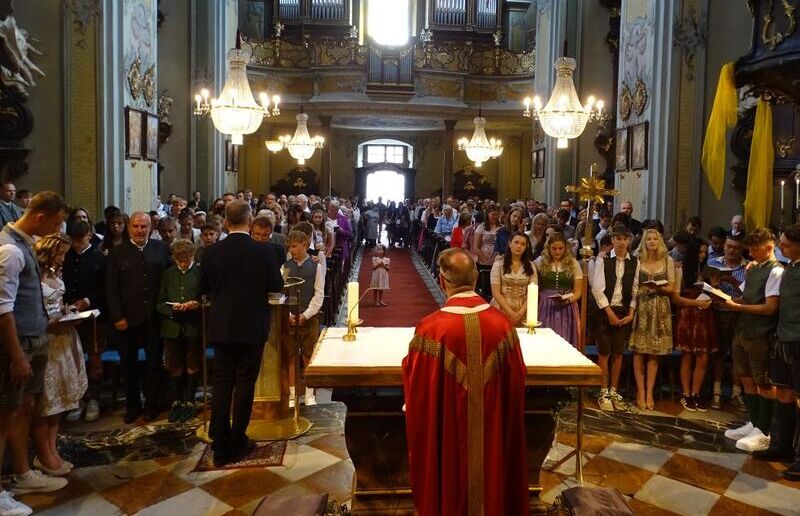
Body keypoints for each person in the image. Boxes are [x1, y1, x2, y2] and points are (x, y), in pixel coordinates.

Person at [402, 247, 528, 515]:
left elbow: (418, 388)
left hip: (448, 440)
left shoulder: (431, 329)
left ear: (442, 280)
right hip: (493, 439)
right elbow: (517, 381)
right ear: (476, 278)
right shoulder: (503, 326)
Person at [199, 200, 283, 466]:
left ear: (225, 221)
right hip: (251, 327)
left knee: (222, 384)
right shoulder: (264, 251)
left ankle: (220, 443)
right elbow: (276, 285)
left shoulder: (211, 252)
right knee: (245, 383)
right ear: (250, 221)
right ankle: (238, 439)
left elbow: (202, 288)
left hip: (222, 327)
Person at [0, 192, 69, 511]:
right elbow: (3, 309)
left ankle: (22, 471)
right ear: (41, 217)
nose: (56, 230)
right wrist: (16, 356)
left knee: (24, 408)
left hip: (35, 338)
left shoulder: (26, 242)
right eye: (56, 223)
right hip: (19, 346)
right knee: (4, 416)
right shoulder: (10, 250)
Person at [722, 228, 783, 453]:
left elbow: (770, 307)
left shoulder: (776, 271)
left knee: (763, 381)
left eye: (754, 250)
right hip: (743, 330)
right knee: (746, 377)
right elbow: (745, 297)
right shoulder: (754, 268)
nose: (750, 253)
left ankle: (764, 431)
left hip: (761, 333)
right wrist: (725, 298)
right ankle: (754, 422)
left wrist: (738, 307)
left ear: (769, 248)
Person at [105, 212, 171, 423]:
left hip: (154, 318)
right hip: (127, 319)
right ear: (129, 228)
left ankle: (152, 405)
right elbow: (111, 288)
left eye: (144, 227)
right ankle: (133, 406)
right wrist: (117, 316)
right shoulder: (117, 253)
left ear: (150, 228)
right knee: (129, 365)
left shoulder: (160, 248)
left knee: (154, 364)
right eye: (136, 226)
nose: (140, 230)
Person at [33, 233, 88, 477]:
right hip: (46, 340)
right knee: (47, 400)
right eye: (61, 254)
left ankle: (52, 449)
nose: (63, 258)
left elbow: (57, 304)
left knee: (59, 401)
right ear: (48, 252)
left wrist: (69, 311)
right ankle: (43, 454)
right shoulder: (34, 278)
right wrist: (52, 320)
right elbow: (34, 312)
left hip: (64, 339)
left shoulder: (56, 274)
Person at [760, 224, 800, 476]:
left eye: (786, 245)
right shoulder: (791, 267)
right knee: (784, 392)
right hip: (784, 337)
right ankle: (780, 445)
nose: (781, 248)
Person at [591, 224, 639, 412]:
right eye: (618, 238)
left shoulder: (635, 262)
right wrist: (609, 313)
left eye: (625, 239)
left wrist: (631, 314)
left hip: (624, 311)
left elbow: (635, 290)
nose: (621, 242)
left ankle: (614, 390)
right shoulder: (603, 260)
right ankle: (603, 392)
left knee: (618, 353)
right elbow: (597, 289)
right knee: (605, 352)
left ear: (629, 241)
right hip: (605, 311)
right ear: (612, 240)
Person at [627, 229, 676, 411]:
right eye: (649, 239)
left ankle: (649, 392)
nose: (652, 241)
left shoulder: (667, 260)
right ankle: (640, 392)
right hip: (642, 306)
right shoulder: (638, 259)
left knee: (654, 352)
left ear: (660, 241)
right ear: (644, 242)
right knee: (639, 351)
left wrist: (659, 288)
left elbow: (672, 287)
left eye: (655, 238)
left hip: (660, 307)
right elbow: (632, 283)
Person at [62, 221, 105, 423]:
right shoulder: (66, 256)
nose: (77, 245)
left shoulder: (99, 257)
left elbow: (105, 289)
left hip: (94, 316)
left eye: (80, 240)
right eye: (74, 241)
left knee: (94, 356)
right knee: (71, 359)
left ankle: (94, 399)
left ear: (89, 236)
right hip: (69, 316)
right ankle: (77, 399)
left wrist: (87, 301)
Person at [156, 239, 202, 423]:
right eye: (179, 260)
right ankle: (177, 401)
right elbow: (160, 302)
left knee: (192, 362)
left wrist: (196, 304)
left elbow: (207, 298)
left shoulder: (200, 273)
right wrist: (171, 310)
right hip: (172, 326)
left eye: (186, 259)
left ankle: (190, 401)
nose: (183, 264)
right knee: (174, 364)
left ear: (192, 256)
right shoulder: (168, 274)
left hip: (193, 326)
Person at [281, 229, 324, 408]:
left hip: (309, 318)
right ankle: (292, 394)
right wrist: (288, 315)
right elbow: (281, 292)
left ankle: (309, 393)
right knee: (291, 357)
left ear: (305, 245)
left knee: (308, 356)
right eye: (289, 247)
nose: (291, 250)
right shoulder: (285, 267)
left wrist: (306, 315)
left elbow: (319, 294)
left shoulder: (316, 266)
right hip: (289, 318)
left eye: (294, 246)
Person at [671, 239, 715, 412]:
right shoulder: (681, 270)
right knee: (687, 355)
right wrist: (696, 303)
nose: (702, 256)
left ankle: (696, 393)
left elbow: (711, 296)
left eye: (705, 252)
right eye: (700, 252)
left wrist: (714, 288)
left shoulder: (707, 270)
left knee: (703, 355)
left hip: (703, 315)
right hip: (687, 314)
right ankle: (686, 393)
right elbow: (676, 298)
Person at [707, 234, 748, 411]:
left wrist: (736, 284)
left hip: (739, 313)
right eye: (729, 246)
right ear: (724, 246)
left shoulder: (747, 267)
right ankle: (716, 392)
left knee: (738, 354)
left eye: (736, 248)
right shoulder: (713, 263)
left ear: (741, 249)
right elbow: (705, 289)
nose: (731, 250)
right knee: (719, 353)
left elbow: (750, 294)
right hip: (718, 313)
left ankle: (736, 393)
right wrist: (715, 287)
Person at [535, 232, 583, 347]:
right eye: (554, 248)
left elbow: (578, 291)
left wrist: (568, 300)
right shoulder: (540, 262)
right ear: (548, 248)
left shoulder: (573, 263)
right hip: (546, 306)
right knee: (545, 341)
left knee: (565, 339)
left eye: (560, 248)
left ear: (565, 248)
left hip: (567, 306)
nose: (557, 252)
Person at [490, 232, 538, 326]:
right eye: (516, 242)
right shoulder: (498, 264)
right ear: (509, 243)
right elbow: (495, 292)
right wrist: (511, 313)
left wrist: (520, 314)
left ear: (526, 247)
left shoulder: (531, 266)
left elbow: (533, 293)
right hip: (501, 307)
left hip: (523, 309)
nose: (519, 246)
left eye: (523, 244)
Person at [473, 204, 500, 300]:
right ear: (488, 214)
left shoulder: (501, 227)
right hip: (483, 258)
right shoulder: (481, 227)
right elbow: (476, 246)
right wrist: (485, 260)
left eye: (497, 214)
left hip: (497, 258)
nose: (495, 217)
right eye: (493, 214)